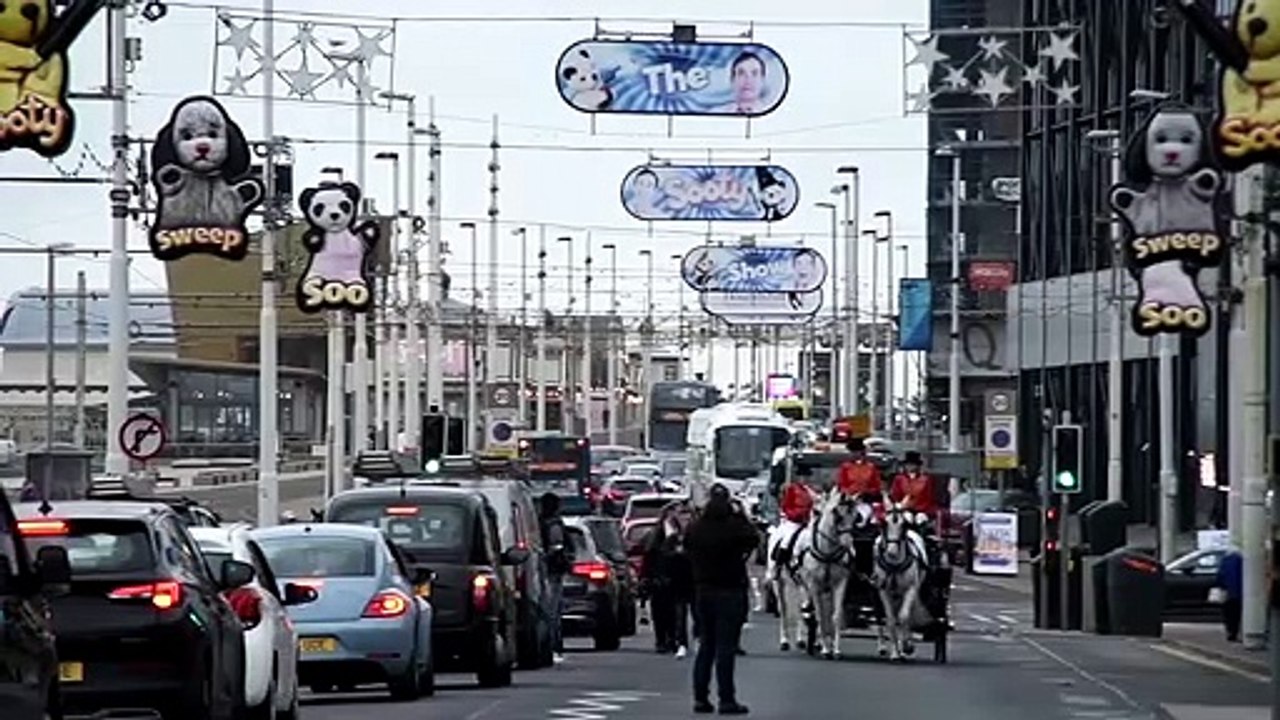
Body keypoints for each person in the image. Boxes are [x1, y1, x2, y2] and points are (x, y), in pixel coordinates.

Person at [684, 485, 758, 715]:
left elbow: (686, 548)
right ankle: (726, 698)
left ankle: (700, 698)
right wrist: (740, 514)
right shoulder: (734, 526)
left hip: (703, 590)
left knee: (706, 646)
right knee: (725, 648)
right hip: (729, 590)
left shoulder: (696, 528)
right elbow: (754, 538)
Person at [643, 506, 695, 658]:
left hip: (680, 579)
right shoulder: (659, 533)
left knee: (676, 612)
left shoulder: (683, 533)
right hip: (661, 578)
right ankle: (662, 640)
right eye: (675, 512)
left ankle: (674, 640)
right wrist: (648, 577)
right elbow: (651, 554)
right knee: (660, 612)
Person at [538, 492, 571, 664]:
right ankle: (554, 644)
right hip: (551, 572)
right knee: (553, 611)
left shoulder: (540, 523)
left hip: (546, 571)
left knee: (549, 610)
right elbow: (557, 546)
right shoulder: (554, 524)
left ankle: (552, 644)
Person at [837, 437, 883, 501]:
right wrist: (849, 494)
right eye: (851, 452)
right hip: (850, 499)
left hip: (867, 499)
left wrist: (866, 493)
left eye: (854, 451)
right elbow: (842, 485)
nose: (851, 454)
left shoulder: (871, 467)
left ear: (860, 452)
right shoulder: (845, 467)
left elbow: (876, 486)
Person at [1214, 547, 1243, 642]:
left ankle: (1230, 632)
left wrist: (1221, 586)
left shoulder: (1225, 561)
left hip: (1227, 592)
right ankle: (1235, 632)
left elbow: (1219, 577)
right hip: (1239, 592)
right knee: (1237, 614)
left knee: (1228, 614)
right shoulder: (1241, 561)